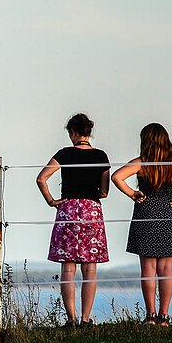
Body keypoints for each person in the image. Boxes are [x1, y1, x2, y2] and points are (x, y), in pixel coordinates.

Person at [111, 123, 172, 325]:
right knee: (166, 270)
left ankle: (150, 316)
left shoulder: (142, 162)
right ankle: (164, 317)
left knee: (147, 269)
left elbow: (116, 177)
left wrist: (132, 193)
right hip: (168, 215)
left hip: (145, 213)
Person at [36, 113, 111, 327]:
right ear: (88, 132)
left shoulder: (65, 154)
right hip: (92, 211)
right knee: (90, 269)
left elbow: (41, 178)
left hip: (68, 209)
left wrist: (52, 200)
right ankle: (86, 319)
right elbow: (104, 192)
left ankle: (71, 319)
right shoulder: (101, 156)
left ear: (73, 132)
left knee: (68, 268)